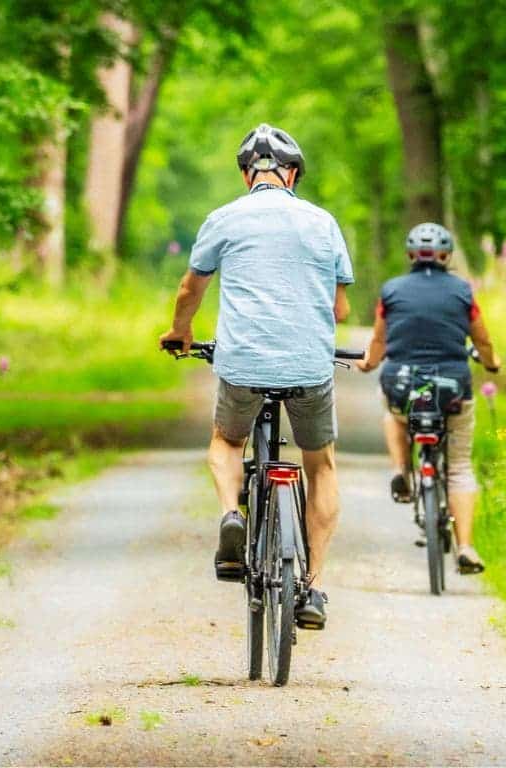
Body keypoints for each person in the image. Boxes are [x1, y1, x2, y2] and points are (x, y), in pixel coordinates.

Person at [159, 123, 354, 628]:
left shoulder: (224, 218)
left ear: (249, 175)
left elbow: (189, 289)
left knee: (226, 441)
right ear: (292, 174)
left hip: (242, 362)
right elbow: (341, 306)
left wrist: (181, 332)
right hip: (310, 365)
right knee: (322, 465)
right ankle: (313, 589)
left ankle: (231, 514)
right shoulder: (322, 222)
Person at [355, 222, 499, 574]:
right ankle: (465, 546)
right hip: (452, 387)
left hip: (403, 384)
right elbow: (482, 340)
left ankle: (401, 469)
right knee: (461, 467)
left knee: (393, 412)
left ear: (410, 255)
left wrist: (369, 363)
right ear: (446, 256)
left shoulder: (391, 291)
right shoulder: (463, 292)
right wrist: (492, 364)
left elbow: (379, 341)